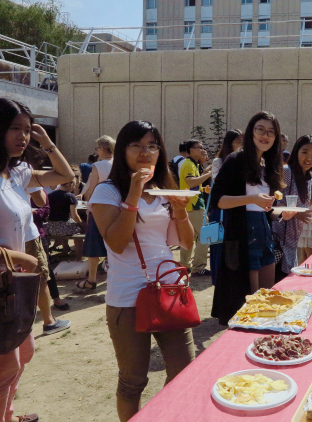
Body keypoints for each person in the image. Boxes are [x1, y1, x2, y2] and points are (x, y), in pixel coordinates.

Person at [89, 120, 195, 422]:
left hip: (169, 291)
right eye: (136, 145)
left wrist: (180, 209)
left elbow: (185, 242)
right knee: (133, 379)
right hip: (127, 296)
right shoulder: (107, 192)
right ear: (123, 151)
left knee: (184, 370)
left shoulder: (163, 190)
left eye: (152, 146)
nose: (145, 152)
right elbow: (116, 243)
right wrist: (133, 195)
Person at [0, 97, 74, 422]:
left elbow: (63, 176)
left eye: (27, 130)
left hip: (14, 287)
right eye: (15, 128)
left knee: (23, 353)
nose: (23, 136)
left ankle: (7, 413)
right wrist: (17, 257)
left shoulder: (15, 173)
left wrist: (48, 144)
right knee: (2, 367)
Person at [210, 111, 293, 325]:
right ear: (251, 132)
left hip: (264, 233)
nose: (265, 136)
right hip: (242, 235)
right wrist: (251, 198)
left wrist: (281, 214)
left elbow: (265, 210)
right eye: (260, 130)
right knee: (250, 302)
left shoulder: (268, 164)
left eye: (271, 132)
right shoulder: (236, 159)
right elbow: (217, 200)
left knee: (266, 297)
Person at [273, 135, 312, 282]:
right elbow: (274, 202)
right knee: (276, 283)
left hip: (293, 240)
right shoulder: (287, 171)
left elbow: (301, 206)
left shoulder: (309, 175)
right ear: (296, 152)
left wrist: (311, 214)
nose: (309, 158)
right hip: (278, 239)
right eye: (305, 152)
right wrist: (297, 214)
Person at [78, 135, 115, 290]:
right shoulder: (120, 163)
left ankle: (91, 279)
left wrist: (89, 207)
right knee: (113, 243)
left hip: (99, 208)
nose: (96, 151)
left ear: (103, 148)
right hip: (116, 208)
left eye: (97, 148)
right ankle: (113, 277)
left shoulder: (98, 166)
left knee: (94, 245)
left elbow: (92, 190)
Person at [209, 130, 243, 286]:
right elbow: (219, 183)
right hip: (221, 209)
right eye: (238, 142)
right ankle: (218, 278)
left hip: (238, 208)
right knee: (219, 243)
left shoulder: (245, 160)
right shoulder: (219, 161)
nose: (242, 145)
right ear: (230, 143)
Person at [178, 140, 212, 276]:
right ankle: (199, 267)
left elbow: (191, 186)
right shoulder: (189, 164)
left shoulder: (191, 164)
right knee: (206, 235)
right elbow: (191, 182)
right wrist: (208, 174)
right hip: (194, 205)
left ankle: (184, 265)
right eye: (200, 147)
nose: (203, 150)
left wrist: (203, 188)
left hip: (190, 205)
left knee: (189, 237)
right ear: (192, 150)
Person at [30, 192, 69, 310]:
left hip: (37, 234)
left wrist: (33, 213)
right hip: (15, 236)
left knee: (45, 267)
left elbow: (46, 210)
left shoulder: (37, 188)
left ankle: (56, 298)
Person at [48, 180, 84, 258]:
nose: (74, 187)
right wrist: (82, 224)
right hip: (64, 228)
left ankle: (65, 249)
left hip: (51, 228)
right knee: (79, 230)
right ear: (68, 184)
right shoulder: (70, 196)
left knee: (68, 224)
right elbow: (74, 216)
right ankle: (79, 256)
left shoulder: (50, 195)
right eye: (74, 185)